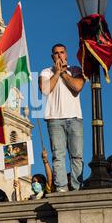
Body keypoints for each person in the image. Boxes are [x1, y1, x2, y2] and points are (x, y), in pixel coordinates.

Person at [39, 43, 85, 192]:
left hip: (74, 118)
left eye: (62, 52)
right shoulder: (46, 72)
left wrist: (64, 73)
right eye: (56, 53)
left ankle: (77, 188)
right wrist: (57, 72)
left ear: (66, 54)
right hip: (55, 119)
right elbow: (45, 89)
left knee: (77, 156)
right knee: (58, 156)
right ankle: (61, 189)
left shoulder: (76, 70)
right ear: (52, 56)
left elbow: (77, 87)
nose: (59, 55)